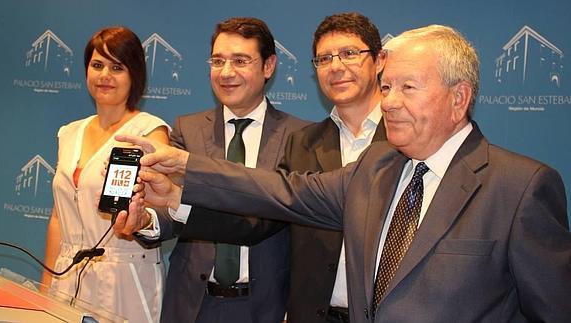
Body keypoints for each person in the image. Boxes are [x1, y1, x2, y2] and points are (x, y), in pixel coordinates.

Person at [117, 24, 571, 322]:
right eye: (388, 86)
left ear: (458, 98)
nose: (390, 100)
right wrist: (187, 168)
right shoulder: (376, 167)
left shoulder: (521, 187)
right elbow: (279, 192)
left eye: (407, 87)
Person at [124, 17, 309, 323]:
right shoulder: (188, 129)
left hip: (266, 307)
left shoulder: (300, 138)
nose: (226, 73)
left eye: (240, 61)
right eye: (218, 61)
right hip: (192, 305)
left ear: (268, 66)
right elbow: (172, 206)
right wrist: (145, 219)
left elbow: (269, 220)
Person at [41, 26, 169, 323]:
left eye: (117, 67)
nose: (104, 76)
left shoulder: (149, 132)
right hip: (68, 275)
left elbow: (159, 212)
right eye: (97, 65)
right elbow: (58, 217)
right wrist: (46, 286)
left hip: (126, 277)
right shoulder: (69, 133)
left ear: (134, 74)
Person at [278, 12, 385, 323]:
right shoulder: (302, 144)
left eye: (349, 54)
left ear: (378, 60)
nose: (336, 66)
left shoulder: (408, 139)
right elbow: (265, 217)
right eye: (324, 59)